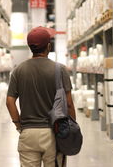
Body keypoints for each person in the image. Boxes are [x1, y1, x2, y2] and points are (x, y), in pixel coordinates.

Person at [6, 26, 76, 167]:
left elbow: (9, 102)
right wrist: (71, 129)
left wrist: (18, 124)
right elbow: (68, 104)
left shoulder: (18, 71)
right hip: (53, 133)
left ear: (30, 46)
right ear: (48, 46)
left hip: (28, 133)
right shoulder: (60, 70)